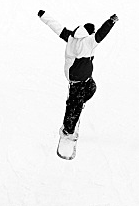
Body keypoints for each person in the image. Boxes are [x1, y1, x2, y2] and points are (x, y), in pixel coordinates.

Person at [38, 10, 118, 139]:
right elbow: (101, 34)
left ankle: (76, 102)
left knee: (91, 88)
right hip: (76, 79)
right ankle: (68, 130)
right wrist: (110, 22)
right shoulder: (90, 41)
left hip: (83, 77)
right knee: (75, 105)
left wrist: (43, 15)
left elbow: (56, 26)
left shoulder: (71, 36)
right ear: (90, 33)